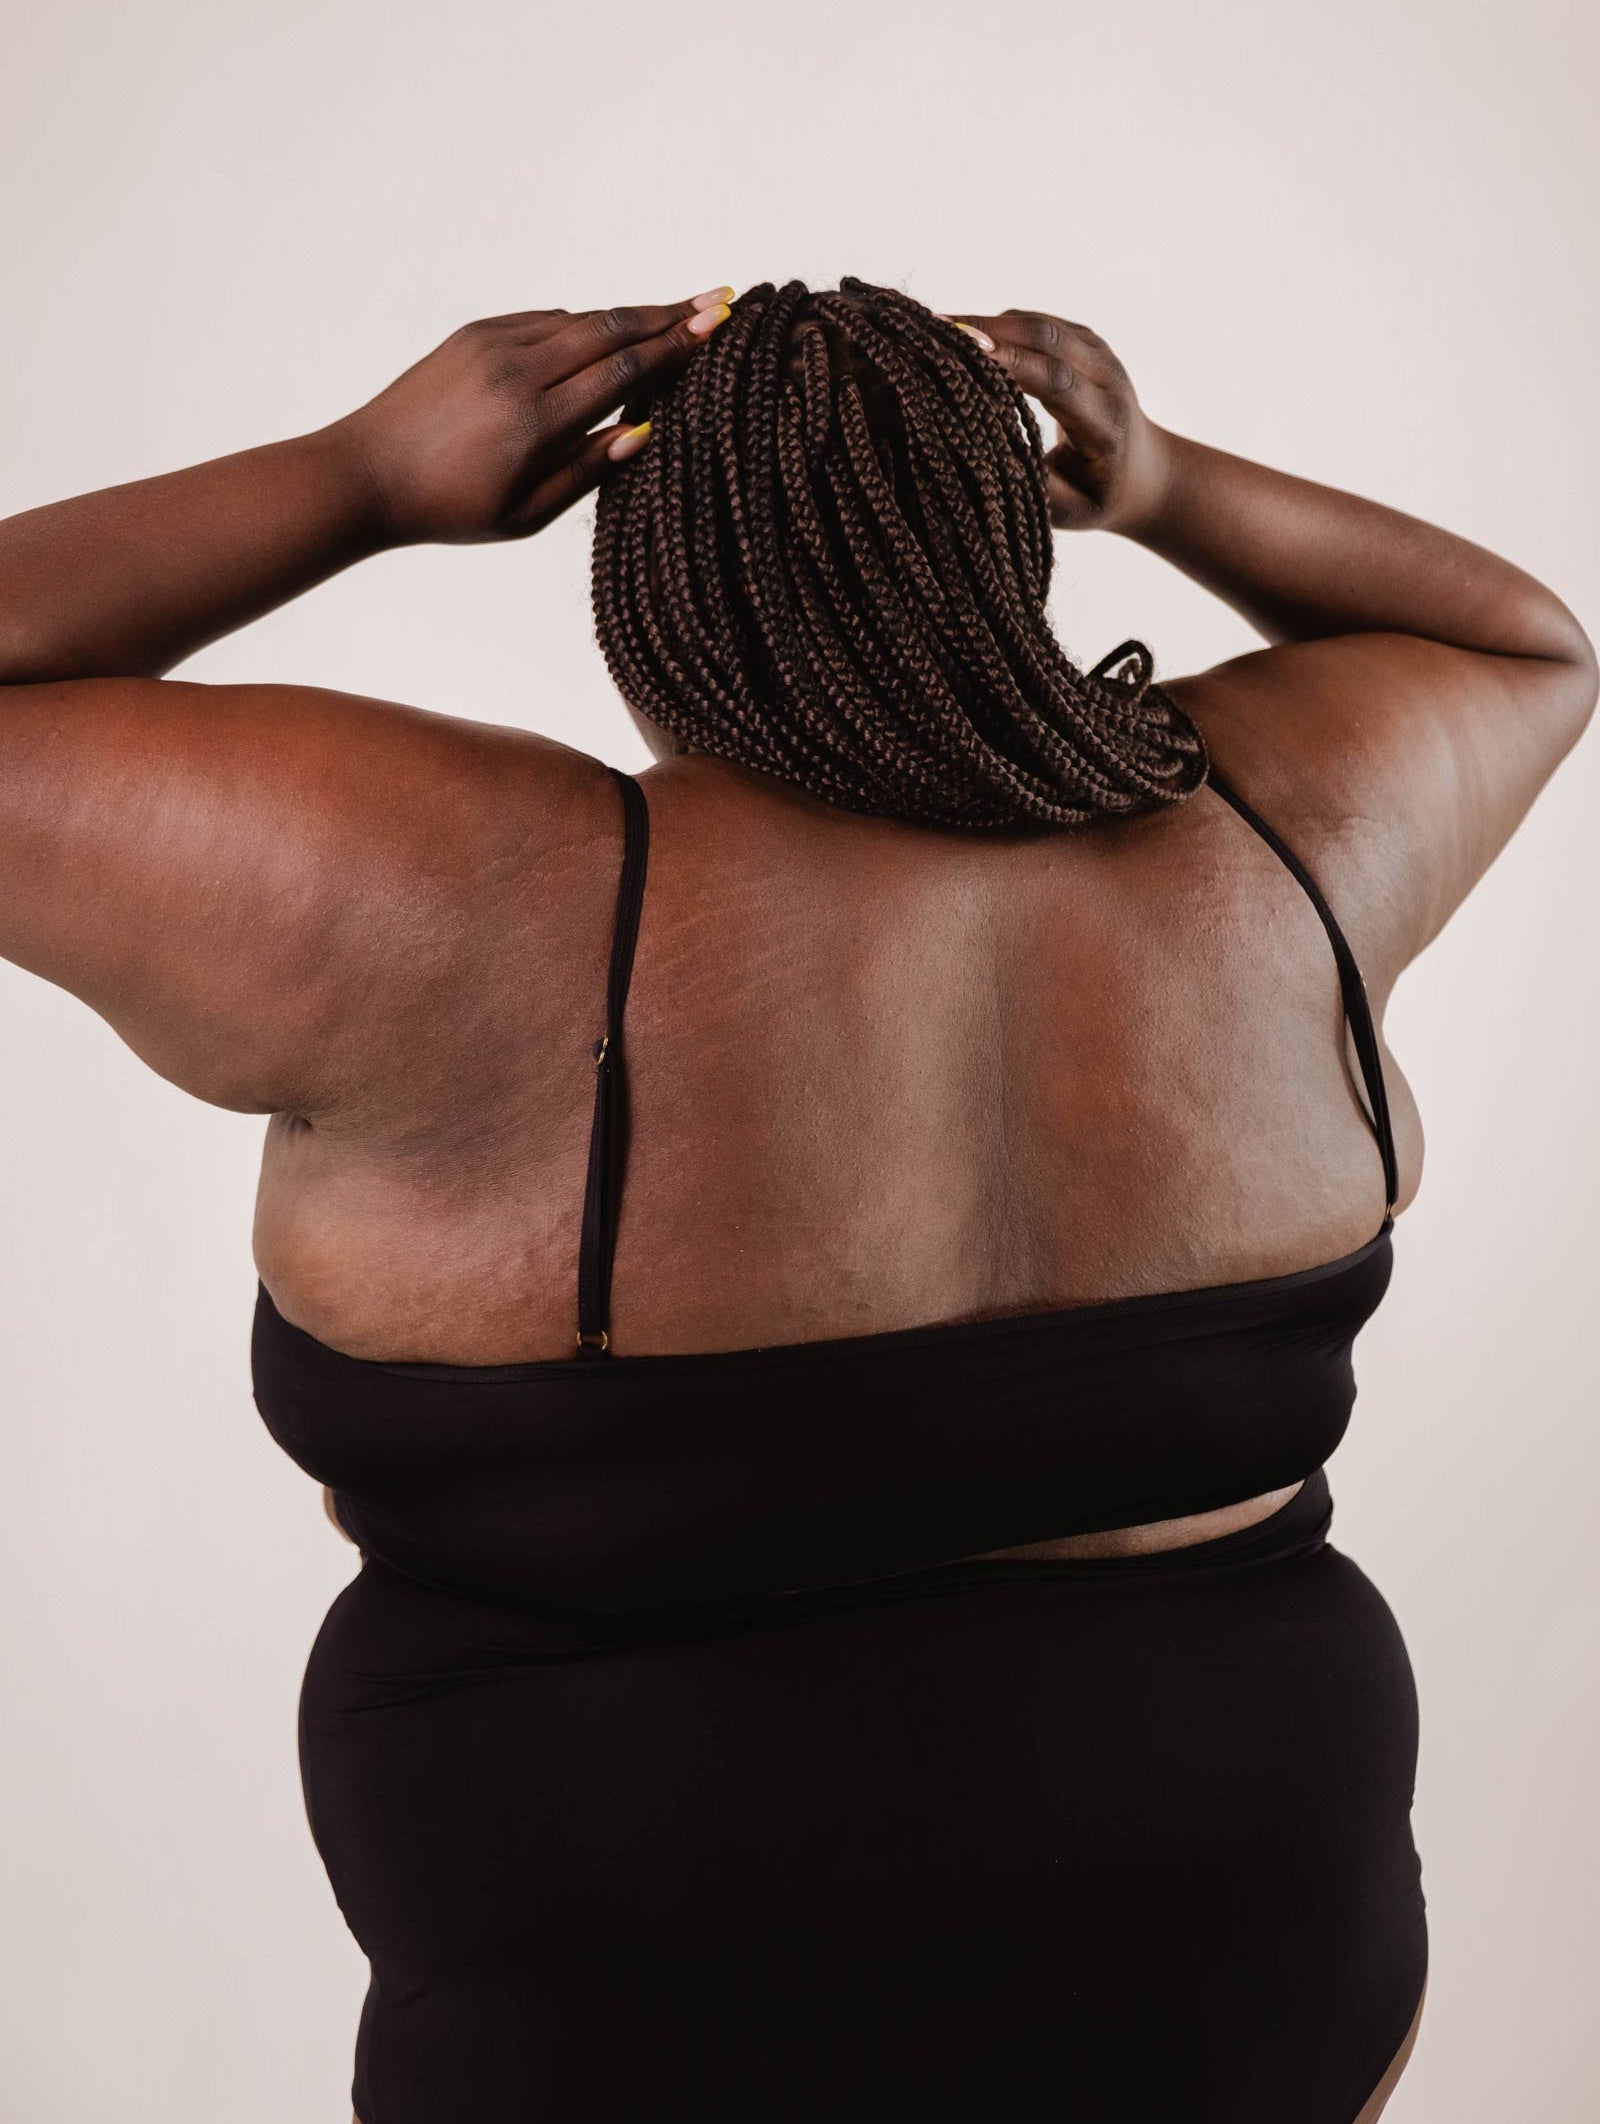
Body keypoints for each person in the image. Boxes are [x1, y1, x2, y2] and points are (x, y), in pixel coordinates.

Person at [1, 276, 1592, 2123]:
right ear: (1018, 552)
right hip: (1250, 1988)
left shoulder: (463, 901)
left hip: (632, 2040)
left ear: (645, 587)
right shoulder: (1276, 835)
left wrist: (363, 474)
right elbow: (1528, 650)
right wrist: (1164, 476)